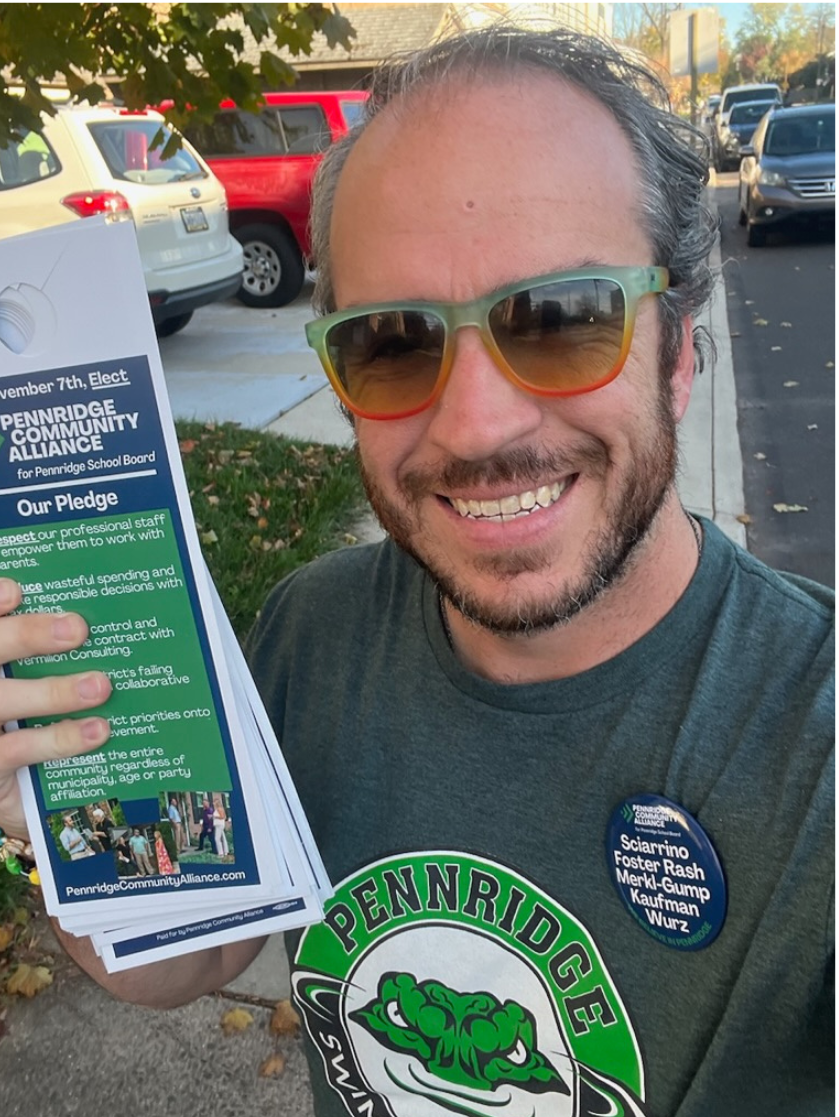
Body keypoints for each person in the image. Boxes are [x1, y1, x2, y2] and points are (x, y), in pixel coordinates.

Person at [0, 24, 832, 1117]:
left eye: (562, 318)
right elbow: (186, 959)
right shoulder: (312, 632)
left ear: (677, 352)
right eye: (392, 341)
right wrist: (48, 817)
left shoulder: (813, 750)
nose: (477, 425)